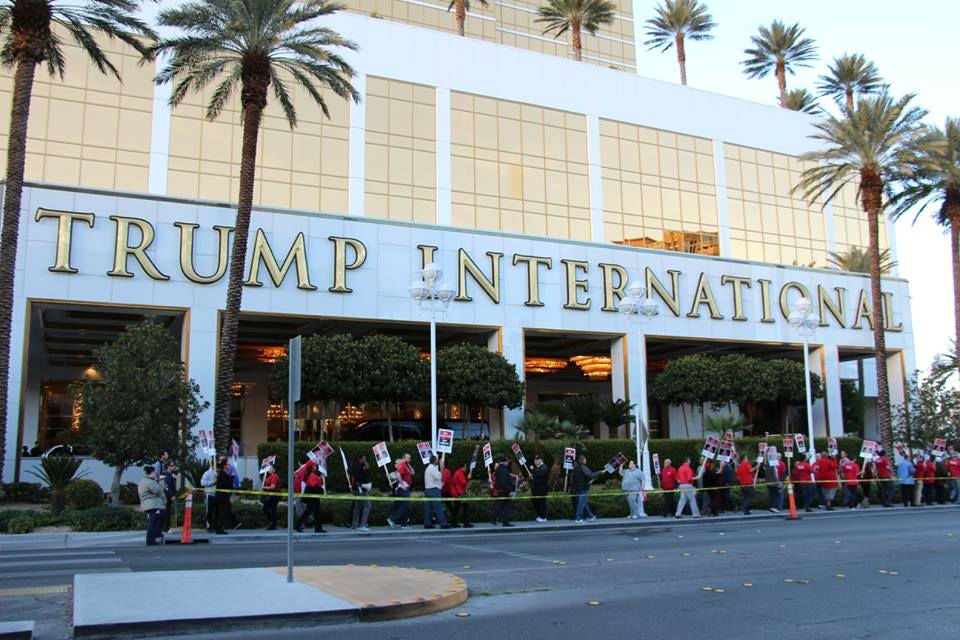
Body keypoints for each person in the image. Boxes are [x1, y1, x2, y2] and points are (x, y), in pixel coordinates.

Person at [295, 456, 326, 533]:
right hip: (313, 495)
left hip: (312, 495)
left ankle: (316, 528)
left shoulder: (311, 474)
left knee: (311, 512)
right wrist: (322, 490)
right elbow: (314, 486)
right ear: (312, 467)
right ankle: (317, 528)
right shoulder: (312, 475)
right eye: (315, 465)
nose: (316, 466)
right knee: (314, 512)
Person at [139, 466, 166, 546]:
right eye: (154, 472)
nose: (156, 474)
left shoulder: (145, 481)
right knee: (153, 522)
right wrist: (160, 481)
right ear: (152, 473)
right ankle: (151, 540)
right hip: (153, 504)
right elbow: (158, 491)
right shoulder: (149, 482)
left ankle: (155, 536)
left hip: (151, 504)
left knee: (157, 520)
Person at [423, 455, 451, 529]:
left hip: (427, 490)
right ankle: (443, 523)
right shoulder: (433, 469)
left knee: (428, 508)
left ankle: (427, 523)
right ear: (435, 461)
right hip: (434, 490)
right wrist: (441, 468)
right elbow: (439, 476)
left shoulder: (428, 468)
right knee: (438, 507)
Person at [388, 453, 414, 529]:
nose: (409, 459)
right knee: (404, 505)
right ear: (403, 458)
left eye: (410, 458)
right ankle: (392, 519)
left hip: (405, 488)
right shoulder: (402, 465)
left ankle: (404, 524)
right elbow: (398, 474)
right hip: (403, 488)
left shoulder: (406, 465)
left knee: (405, 506)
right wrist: (402, 484)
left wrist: (409, 464)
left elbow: (413, 472)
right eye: (408, 458)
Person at [571, 454, 599, 523]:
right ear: (583, 460)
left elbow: (578, 479)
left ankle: (591, 516)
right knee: (582, 503)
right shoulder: (583, 467)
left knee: (584, 502)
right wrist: (600, 472)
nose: (586, 460)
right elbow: (590, 475)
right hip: (583, 488)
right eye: (585, 459)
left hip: (577, 488)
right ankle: (578, 518)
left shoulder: (576, 469)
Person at [350, 455, 372, 532]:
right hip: (360, 489)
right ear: (359, 459)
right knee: (367, 505)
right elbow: (362, 476)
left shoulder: (358, 466)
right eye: (363, 459)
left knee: (358, 506)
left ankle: (354, 524)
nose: (365, 460)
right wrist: (366, 469)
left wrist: (366, 468)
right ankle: (362, 525)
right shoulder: (358, 468)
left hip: (357, 489)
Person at [492, 457, 515, 527]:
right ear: (504, 462)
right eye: (507, 462)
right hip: (505, 491)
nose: (508, 463)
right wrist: (510, 491)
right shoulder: (504, 470)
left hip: (500, 491)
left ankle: (493, 518)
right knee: (506, 507)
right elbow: (504, 482)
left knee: (499, 505)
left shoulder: (498, 469)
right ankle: (505, 522)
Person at [447, 461, 471, 528]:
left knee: (456, 508)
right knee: (464, 508)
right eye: (465, 467)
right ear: (462, 467)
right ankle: (465, 523)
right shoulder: (460, 473)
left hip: (457, 493)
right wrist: (468, 478)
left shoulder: (457, 472)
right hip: (460, 493)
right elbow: (464, 483)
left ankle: (453, 522)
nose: (466, 468)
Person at [215, 458, 235, 534]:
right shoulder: (222, 474)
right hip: (222, 497)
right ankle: (219, 528)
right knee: (222, 512)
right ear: (224, 466)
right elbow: (226, 485)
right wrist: (232, 478)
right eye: (227, 464)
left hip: (223, 497)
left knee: (223, 512)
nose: (228, 466)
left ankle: (221, 527)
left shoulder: (224, 474)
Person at [530, 454, 550, 522]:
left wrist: (533, 477)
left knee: (541, 503)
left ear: (541, 460)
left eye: (537, 459)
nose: (535, 461)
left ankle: (543, 517)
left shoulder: (543, 467)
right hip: (536, 489)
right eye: (535, 459)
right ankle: (539, 515)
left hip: (541, 489)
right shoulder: (537, 468)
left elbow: (540, 476)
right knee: (535, 502)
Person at [159, 462, 177, 532]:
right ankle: (165, 528)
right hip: (166, 497)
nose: (174, 467)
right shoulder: (166, 475)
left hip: (168, 496)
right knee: (166, 512)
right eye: (172, 465)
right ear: (168, 467)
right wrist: (171, 495)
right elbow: (166, 487)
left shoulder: (170, 475)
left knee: (167, 512)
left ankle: (166, 527)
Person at [261, 464, 281, 530]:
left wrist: (264, 487)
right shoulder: (270, 476)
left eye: (270, 468)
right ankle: (273, 521)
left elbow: (273, 487)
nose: (269, 469)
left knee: (272, 510)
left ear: (274, 470)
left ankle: (273, 524)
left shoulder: (274, 476)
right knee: (267, 509)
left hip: (273, 496)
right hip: (270, 496)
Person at [200, 461, 218, 531]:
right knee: (209, 511)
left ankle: (215, 525)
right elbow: (202, 483)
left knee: (216, 511)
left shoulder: (218, 473)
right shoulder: (207, 473)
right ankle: (209, 526)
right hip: (210, 494)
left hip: (217, 494)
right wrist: (212, 482)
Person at [764, 448, 782, 513]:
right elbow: (775, 475)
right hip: (774, 483)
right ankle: (774, 507)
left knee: (771, 495)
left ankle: (771, 507)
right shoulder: (773, 467)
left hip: (768, 483)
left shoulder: (767, 466)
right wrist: (778, 482)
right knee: (776, 495)